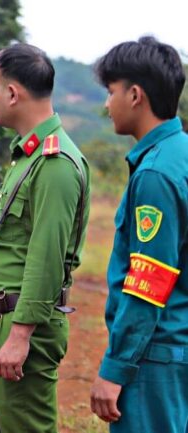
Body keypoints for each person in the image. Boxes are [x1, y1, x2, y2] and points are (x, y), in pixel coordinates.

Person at [0, 43, 90, 433]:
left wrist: (20, 335)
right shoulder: (27, 156)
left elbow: (46, 257)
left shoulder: (55, 164)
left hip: (19, 323)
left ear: (12, 94)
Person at [90, 37, 188, 433]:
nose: (106, 104)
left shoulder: (155, 175)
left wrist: (115, 369)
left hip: (156, 357)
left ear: (135, 95)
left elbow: (149, 283)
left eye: (111, 92)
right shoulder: (180, 155)